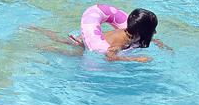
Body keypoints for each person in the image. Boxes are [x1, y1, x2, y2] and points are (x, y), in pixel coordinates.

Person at [31, 7, 167, 63]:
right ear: (142, 31)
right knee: (70, 54)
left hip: (84, 39)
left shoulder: (130, 32)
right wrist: (135, 59)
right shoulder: (122, 41)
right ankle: (43, 47)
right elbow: (110, 56)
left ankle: (37, 29)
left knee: (63, 39)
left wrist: (158, 42)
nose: (154, 32)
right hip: (89, 46)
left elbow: (143, 39)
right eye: (153, 29)